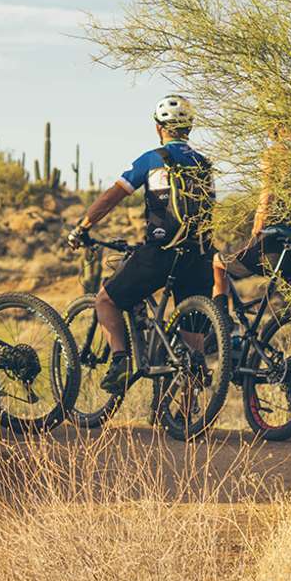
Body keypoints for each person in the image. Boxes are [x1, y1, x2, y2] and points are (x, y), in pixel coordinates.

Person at [66, 96, 217, 394]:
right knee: (193, 346)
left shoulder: (152, 159)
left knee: (105, 300)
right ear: (190, 127)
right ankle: (190, 419)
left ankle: (120, 362)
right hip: (199, 255)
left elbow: (112, 196)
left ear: (158, 127)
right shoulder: (204, 164)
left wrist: (83, 226)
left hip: (161, 253)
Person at [212, 121, 291, 433]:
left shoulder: (276, 153)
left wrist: (254, 237)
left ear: (276, 123)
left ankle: (219, 324)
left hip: (274, 243)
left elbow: (268, 198)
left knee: (219, 263)